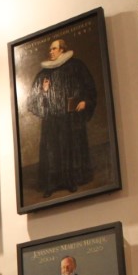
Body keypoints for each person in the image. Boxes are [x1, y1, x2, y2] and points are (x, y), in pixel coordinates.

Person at [26, 38, 97, 198]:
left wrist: (85, 101)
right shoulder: (44, 73)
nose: (50, 51)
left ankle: (70, 181)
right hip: (51, 121)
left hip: (69, 119)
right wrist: (44, 91)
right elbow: (32, 100)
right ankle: (51, 184)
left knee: (69, 148)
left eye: (54, 48)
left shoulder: (76, 66)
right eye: (50, 49)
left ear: (62, 50)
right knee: (52, 152)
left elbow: (89, 86)